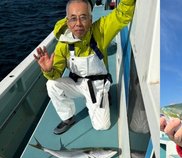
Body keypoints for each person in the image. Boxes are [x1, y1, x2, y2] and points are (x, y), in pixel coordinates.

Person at [34, 0, 135, 134]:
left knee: (102, 126)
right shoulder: (63, 43)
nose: (78, 24)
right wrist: (48, 70)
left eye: (83, 17)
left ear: (90, 18)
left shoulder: (101, 30)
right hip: (77, 83)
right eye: (73, 18)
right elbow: (56, 74)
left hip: (97, 85)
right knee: (52, 84)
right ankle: (68, 117)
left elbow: (122, 14)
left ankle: (103, 96)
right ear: (67, 21)